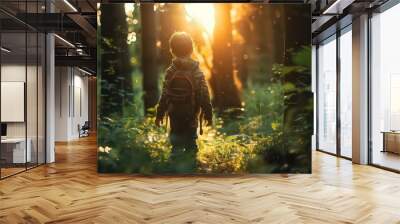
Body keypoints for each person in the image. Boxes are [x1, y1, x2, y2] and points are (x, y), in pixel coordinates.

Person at [155, 32, 212, 172]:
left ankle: (174, 168)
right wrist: (208, 114)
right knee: (191, 141)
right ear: (191, 49)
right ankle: (191, 168)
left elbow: (164, 95)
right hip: (191, 113)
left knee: (176, 142)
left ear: (172, 50)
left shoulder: (170, 71)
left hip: (174, 113)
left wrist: (159, 114)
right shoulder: (196, 70)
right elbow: (204, 93)